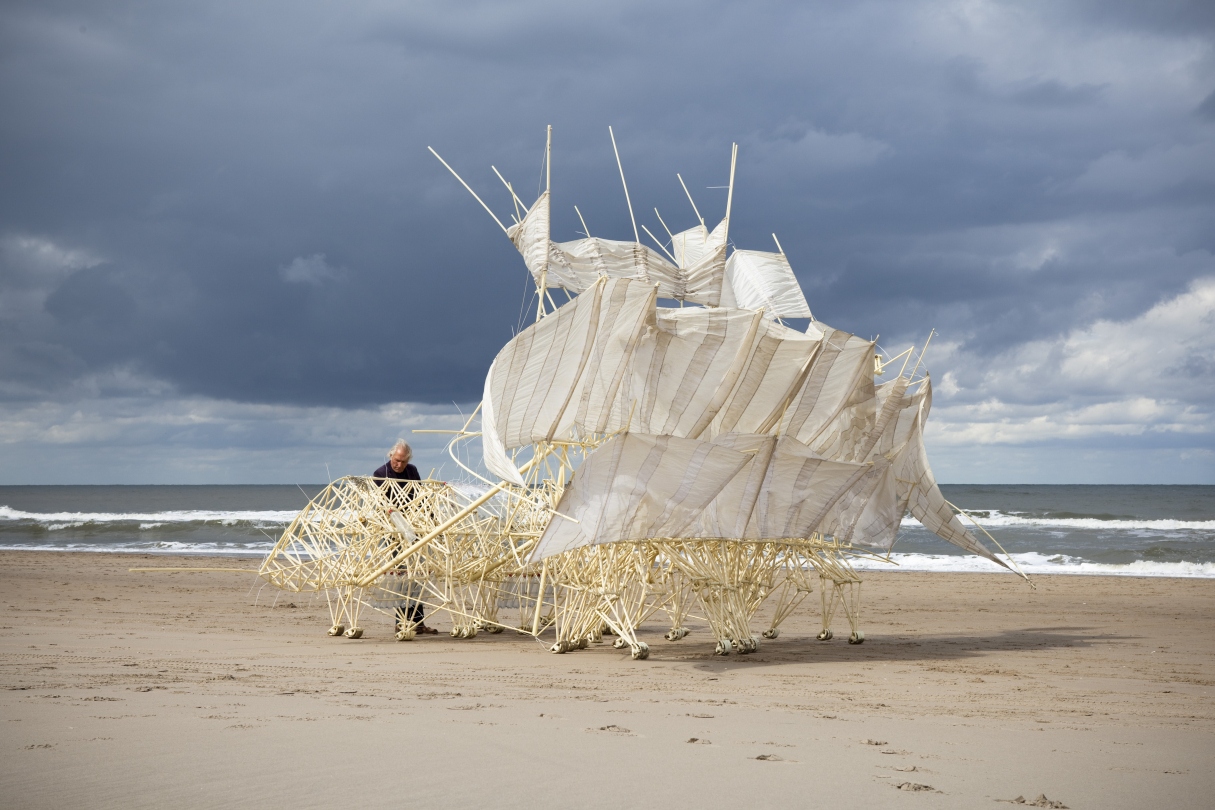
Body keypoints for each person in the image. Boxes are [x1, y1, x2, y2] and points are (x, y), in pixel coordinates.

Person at [371, 440, 437, 635]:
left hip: (414, 529)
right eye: (396, 460)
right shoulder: (380, 474)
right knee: (402, 577)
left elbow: (420, 497)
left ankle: (419, 622)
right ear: (391, 455)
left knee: (416, 575)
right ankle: (401, 622)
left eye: (403, 462)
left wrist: (430, 519)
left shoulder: (412, 471)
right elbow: (381, 505)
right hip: (395, 532)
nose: (399, 464)